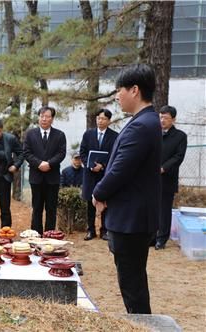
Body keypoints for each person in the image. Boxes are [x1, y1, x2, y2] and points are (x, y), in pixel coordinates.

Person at [92, 64, 161, 314]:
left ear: (134, 90)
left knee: (132, 284)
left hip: (132, 218)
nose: (117, 96)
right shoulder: (144, 121)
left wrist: (98, 193)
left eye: (119, 90)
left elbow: (120, 169)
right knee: (132, 281)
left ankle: (142, 325)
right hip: (132, 216)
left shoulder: (142, 125)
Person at [24, 106, 66, 235]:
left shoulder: (59, 135)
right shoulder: (30, 134)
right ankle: (36, 235)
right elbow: (27, 152)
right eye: (42, 116)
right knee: (36, 208)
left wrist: (49, 163)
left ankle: (49, 235)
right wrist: (39, 163)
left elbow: (61, 153)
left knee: (51, 209)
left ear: (52, 119)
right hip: (36, 176)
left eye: (47, 116)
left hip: (52, 177)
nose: (44, 119)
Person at [80, 109, 118, 241]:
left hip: (106, 174)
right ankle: (90, 230)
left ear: (109, 121)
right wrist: (90, 165)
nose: (100, 121)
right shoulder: (88, 134)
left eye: (103, 119)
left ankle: (105, 230)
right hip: (90, 174)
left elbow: (115, 155)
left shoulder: (114, 136)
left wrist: (103, 165)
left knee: (106, 202)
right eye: (98, 118)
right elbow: (83, 153)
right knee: (90, 203)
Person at [156, 106, 187, 250]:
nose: (162, 120)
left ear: (173, 119)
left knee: (164, 209)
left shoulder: (180, 136)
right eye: (160, 117)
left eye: (166, 118)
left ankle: (161, 239)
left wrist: (164, 168)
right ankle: (150, 236)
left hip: (167, 177)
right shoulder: (153, 133)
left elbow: (178, 157)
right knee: (150, 208)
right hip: (150, 178)